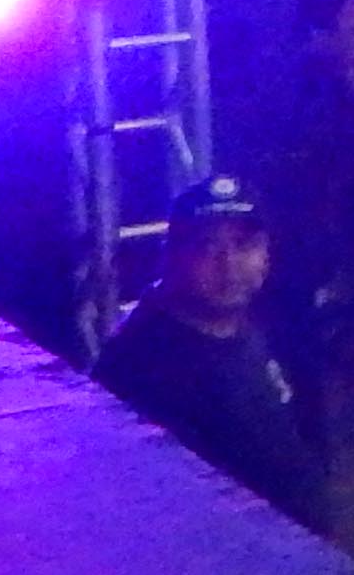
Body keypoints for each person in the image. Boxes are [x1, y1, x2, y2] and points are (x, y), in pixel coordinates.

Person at [94, 175, 326, 533]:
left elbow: (310, 432)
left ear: (266, 254)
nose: (228, 264)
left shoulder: (276, 325)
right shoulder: (136, 364)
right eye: (205, 246)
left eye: (244, 245)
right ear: (173, 257)